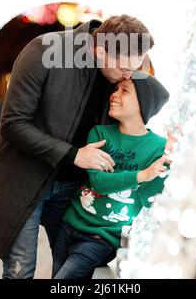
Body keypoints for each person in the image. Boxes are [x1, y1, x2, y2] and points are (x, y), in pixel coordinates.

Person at [0, 15, 155, 279]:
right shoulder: (43, 50)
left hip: (76, 190)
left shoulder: (119, 69)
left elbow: (138, 109)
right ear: (100, 51)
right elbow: (13, 124)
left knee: (70, 273)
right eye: (124, 69)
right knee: (20, 270)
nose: (128, 76)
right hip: (25, 182)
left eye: (134, 69)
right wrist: (74, 155)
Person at [52, 72, 170, 279]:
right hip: (69, 225)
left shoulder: (159, 148)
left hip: (103, 237)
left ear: (144, 103)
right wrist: (141, 175)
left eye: (124, 90)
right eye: (116, 89)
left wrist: (171, 160)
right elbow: (99, 182)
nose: (114, 94)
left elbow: (150, 197)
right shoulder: (100, 134)